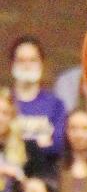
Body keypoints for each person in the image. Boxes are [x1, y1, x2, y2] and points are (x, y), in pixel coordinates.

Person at [8, 36, 66, 175]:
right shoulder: (4, 102)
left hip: (44, 174)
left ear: (41, 63)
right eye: (21, 60)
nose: (27, 65)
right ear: (12, 64)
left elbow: (58, 144)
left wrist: (19, 141)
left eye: (33, 60)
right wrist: (38, 142)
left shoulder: (55, 104)